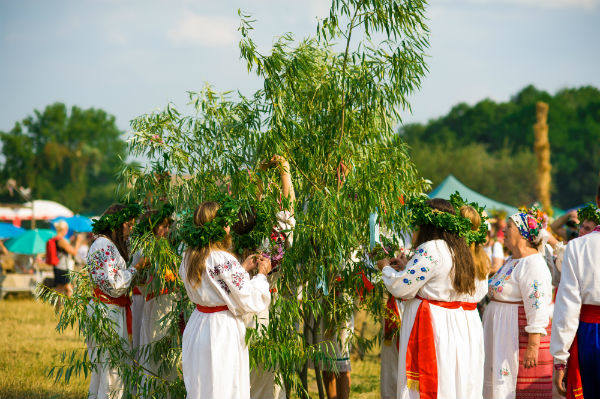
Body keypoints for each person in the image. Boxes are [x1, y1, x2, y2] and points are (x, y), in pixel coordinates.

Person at [378, 197, 488, 399]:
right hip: (465, 324)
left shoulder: (432, 248)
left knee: (439, 380)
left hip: (436, 324)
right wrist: (407, 269)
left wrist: (385, 268)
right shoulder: (462, 248)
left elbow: (402, 287)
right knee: (459, 380)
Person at [179, 201, 272, 399]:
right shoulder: (222, 258)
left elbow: (216, 284)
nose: (229, 227)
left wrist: (241, 269)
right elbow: (249, 298)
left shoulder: (189, 256)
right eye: (226, 223)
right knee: (223, 385)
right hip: (221, 329)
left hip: (198, 325)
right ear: (219, 226)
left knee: (202, 385)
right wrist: (262, 276)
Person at [483, 209, 553, 399]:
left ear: (523, 233)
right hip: (499, 333)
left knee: (511, 384)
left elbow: (538, 306)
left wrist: (533, 346)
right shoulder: (512, 260)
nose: (504, 231)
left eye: (510, 227)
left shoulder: (533, 264)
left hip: (512, 335)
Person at [86, 203, 144, 399]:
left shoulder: (106, 244)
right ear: (117, 225)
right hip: (107, 310)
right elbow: (114, 284)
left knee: (105, 365)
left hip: (109, 308)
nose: (130, 229)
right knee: (111, 367)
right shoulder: (104, 245)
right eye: (129, 224)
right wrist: (136, 268)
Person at [551, 188, 600, 398]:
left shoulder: (579, 247)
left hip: (591, 331)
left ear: (597, 200)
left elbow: (568, 305)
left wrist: (560, 358)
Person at [136, 204, 178, 384]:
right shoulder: (145, 250)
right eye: (163, 226)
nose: (167, 230)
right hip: (157, 304)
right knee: (156, 346)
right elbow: (139, 280)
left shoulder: (168, 248)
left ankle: (169, 388)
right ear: (152, 227)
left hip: (170, 303)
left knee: (170, 350)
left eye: (169, 226)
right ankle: (154, 388)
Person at [51, 220, 84, 298]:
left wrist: (71, 241)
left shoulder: (56, 239)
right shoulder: (61, 241)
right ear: (64, 229)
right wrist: (78, 242)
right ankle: (67, 306)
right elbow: (74, 252)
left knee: (63, 288)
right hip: (62, 268)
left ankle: (62, 306)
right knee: (64, 289)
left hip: (58, 267)